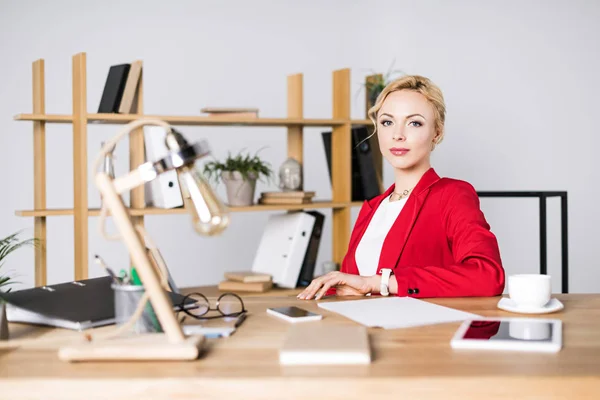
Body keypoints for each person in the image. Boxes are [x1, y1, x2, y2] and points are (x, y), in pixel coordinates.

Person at [298, 75, 505, 301]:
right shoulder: (372, 208)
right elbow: (353, 287)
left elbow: (487, 276)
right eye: (387, 122)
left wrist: (380, 282)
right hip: (363, 332)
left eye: (414, 122)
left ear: (437, 132)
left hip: (421, 333)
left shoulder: (452, 195)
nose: (398, 134)